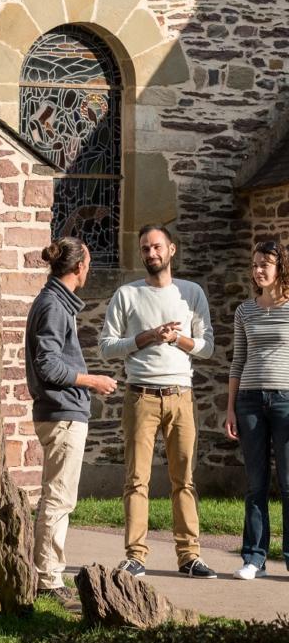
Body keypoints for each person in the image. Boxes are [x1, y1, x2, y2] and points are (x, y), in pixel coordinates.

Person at [99, 223, 216, 578]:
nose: (151, 254)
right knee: (136, 480)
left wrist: (177, 339)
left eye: (156, 247)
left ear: (171, 250)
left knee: (185, 480)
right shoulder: (127, 294)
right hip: (141, 397)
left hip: (180, 397)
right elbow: (106, 347)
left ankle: (189, 556)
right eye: (145, 249)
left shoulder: (191, 293)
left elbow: (207, 347)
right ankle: (136, 556)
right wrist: (147, 337)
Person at [25, 237, 116, 603]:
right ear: (79, 268)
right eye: (89, 263)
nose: (89, 270)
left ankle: (48, 574)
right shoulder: (52, 306)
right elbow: (47, 364)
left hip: (63, 411)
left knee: (59, 498)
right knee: (58, 499)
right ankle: (48, 580)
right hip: (61, 413)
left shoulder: (57, 302)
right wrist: (91, 380)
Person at [225, 238, 289, 580]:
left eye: (265, 264)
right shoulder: (244, 311)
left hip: (285, 400)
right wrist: (231, 409)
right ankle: (254, 559)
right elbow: (238, 361)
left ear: (280, 268)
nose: (258, 270)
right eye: (254, 265)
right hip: (249, 400)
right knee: (256, 483)